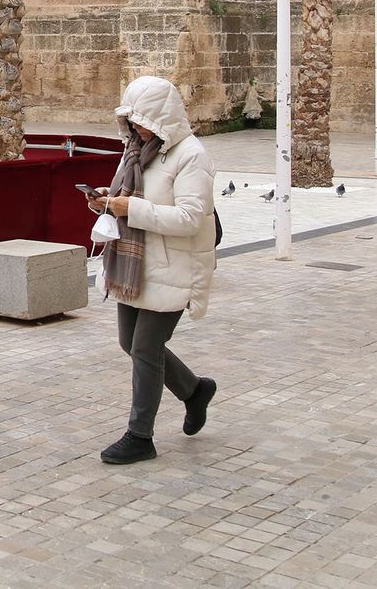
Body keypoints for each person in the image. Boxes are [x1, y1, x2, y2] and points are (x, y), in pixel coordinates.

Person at [88, 75, 218, 465]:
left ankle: (140, 435)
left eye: (142, 119)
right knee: (132, 343)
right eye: (131, 119)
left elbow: (191, 218)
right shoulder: (136, 151)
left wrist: (131, 210)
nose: (136, 128)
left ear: (163, 117)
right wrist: (107, 203)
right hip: (134, 262)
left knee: (145, 347)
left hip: (174, 265)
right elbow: (131, 197)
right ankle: (195, 391)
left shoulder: (191, 155)